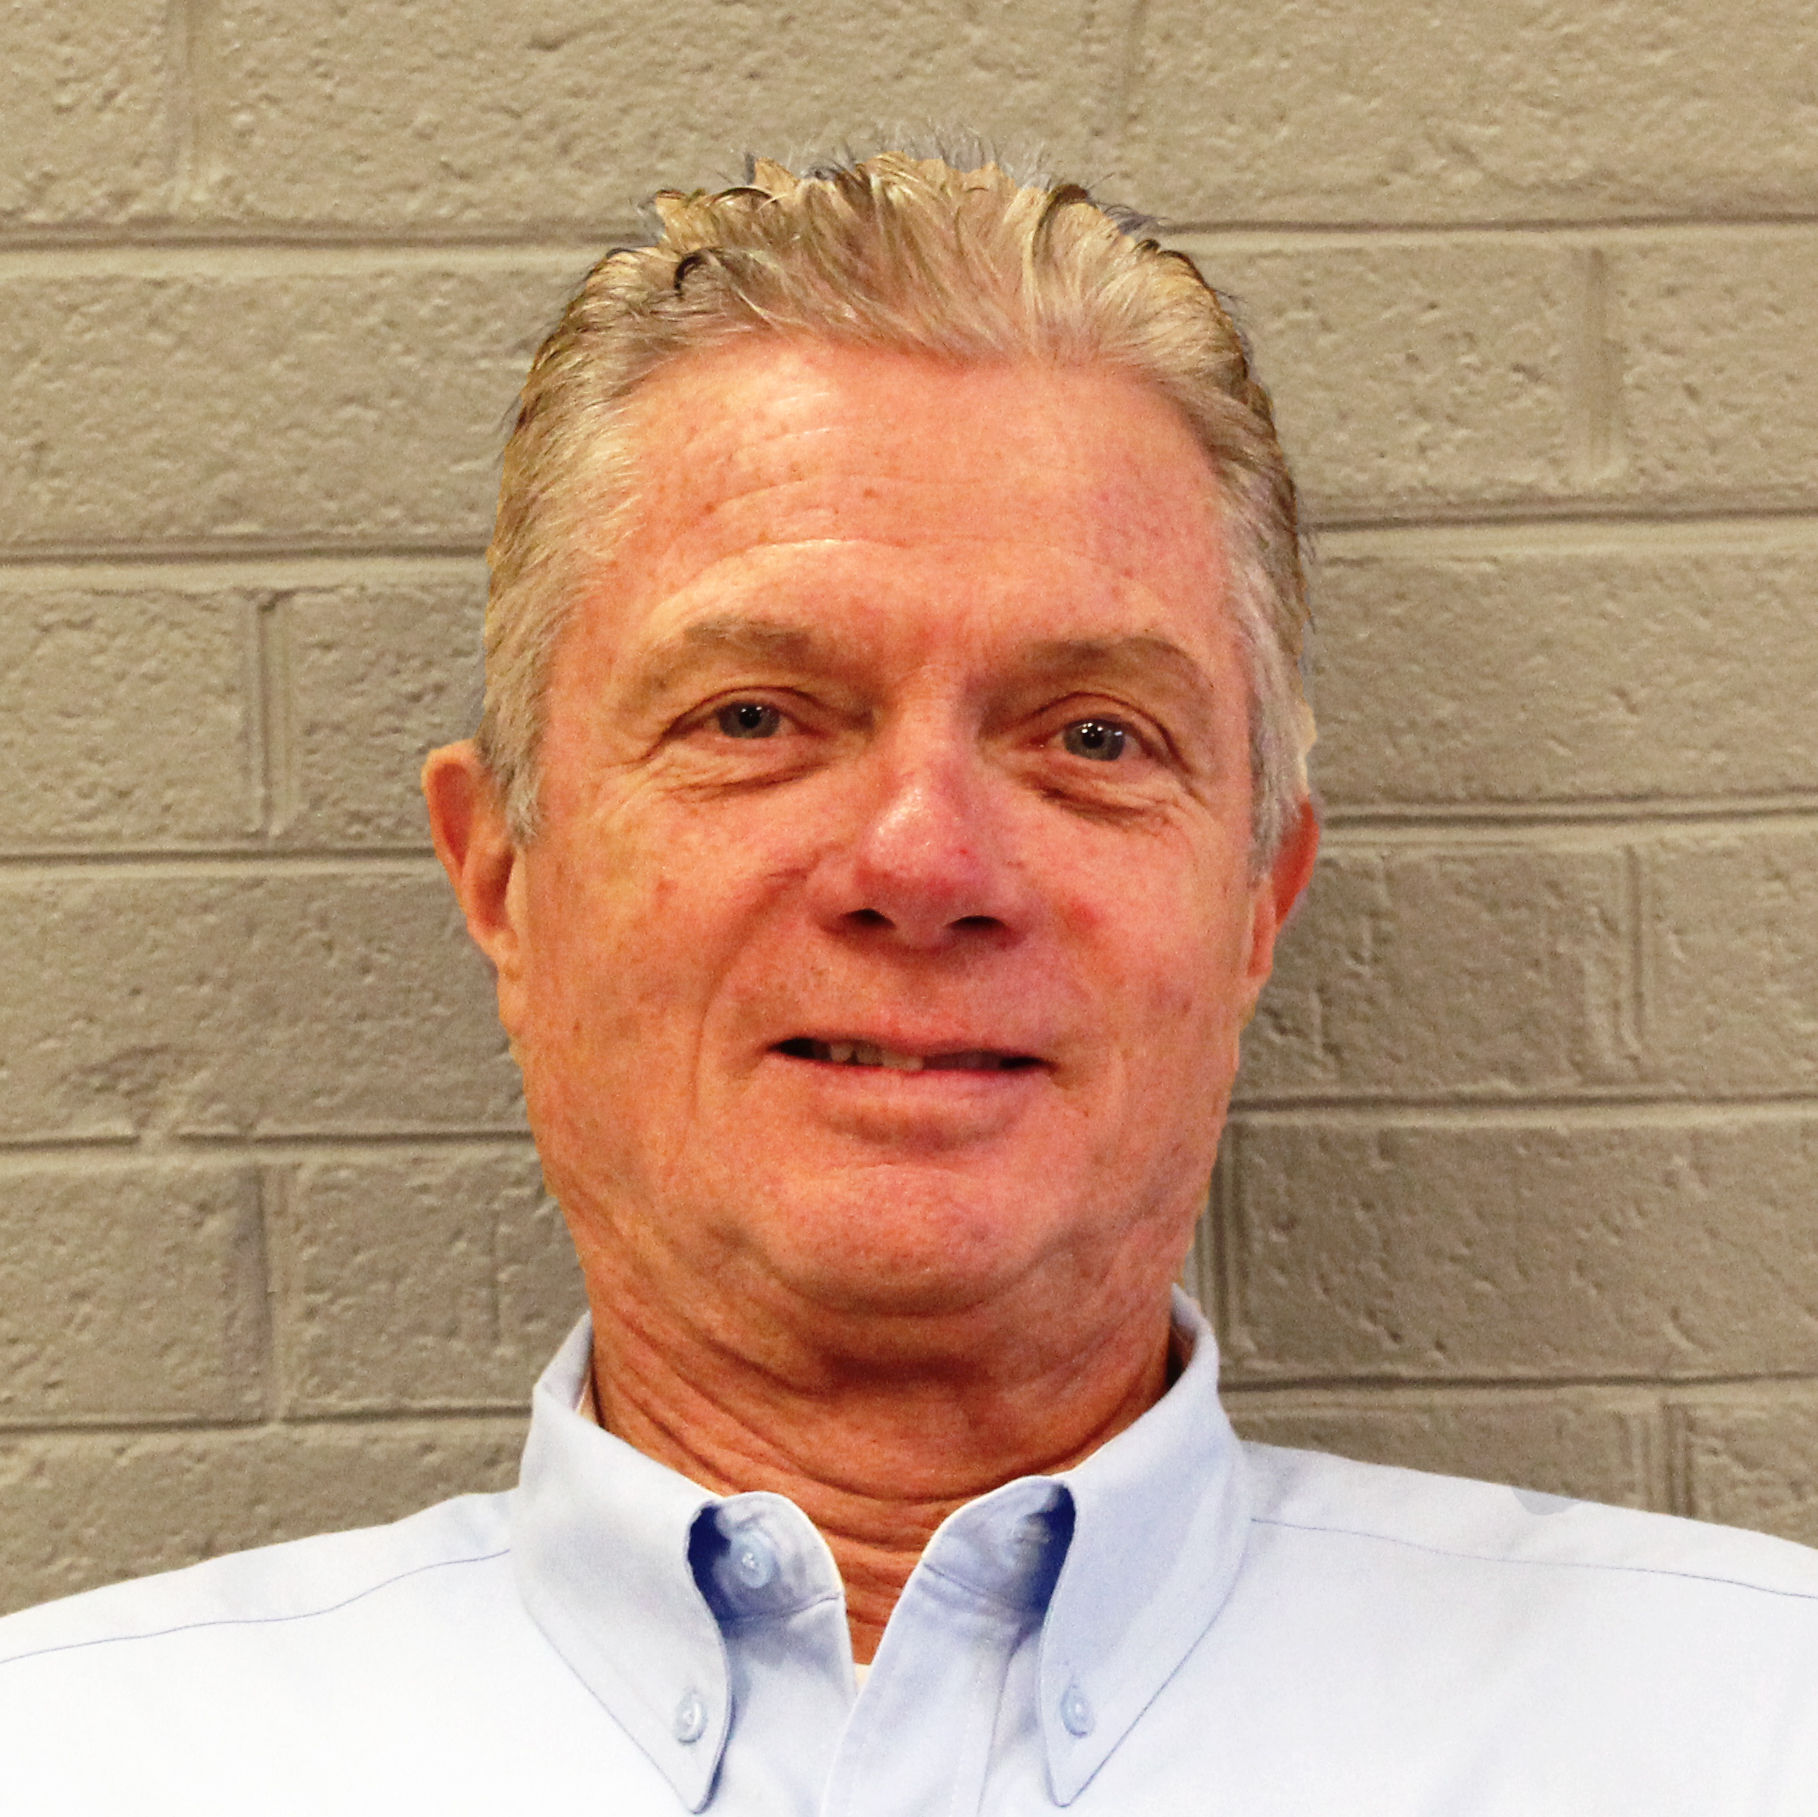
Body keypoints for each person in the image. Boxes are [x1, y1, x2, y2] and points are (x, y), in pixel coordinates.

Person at [2, 151, 1814, 1814]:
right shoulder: (77, 1758)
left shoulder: (1741, 1729)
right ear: (504, 878)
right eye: (752, 716)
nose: (924, 863)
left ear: (1256, 902)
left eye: (1092, 735)